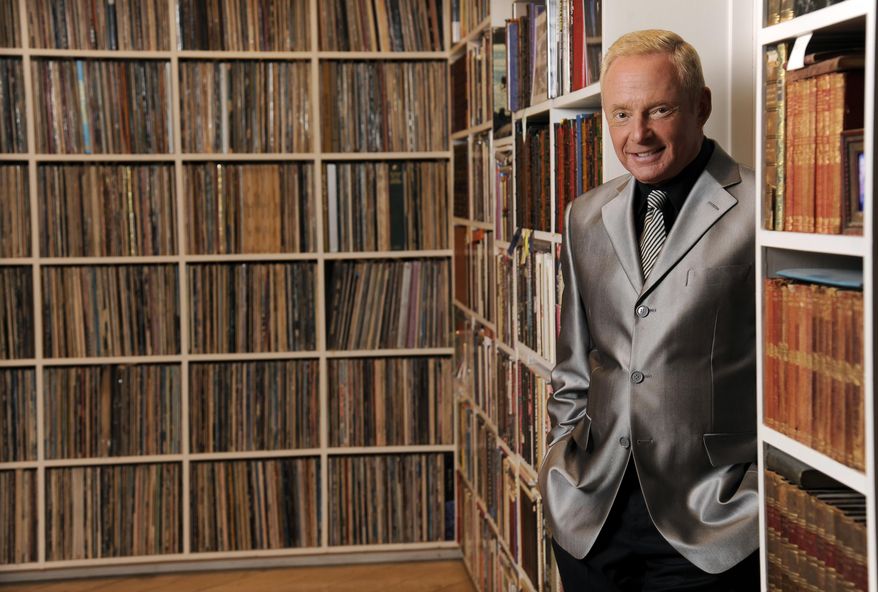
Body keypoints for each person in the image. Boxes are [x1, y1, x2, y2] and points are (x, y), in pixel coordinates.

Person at [537, 29, 759, 591]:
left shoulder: (765, 209)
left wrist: (758, 490)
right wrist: (560, 461)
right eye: (620, 115)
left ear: (701, 105)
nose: (638, 134)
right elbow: (575, 361)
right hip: (592, 514)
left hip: (712, 522)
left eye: (659, 110)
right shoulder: (584, 215)